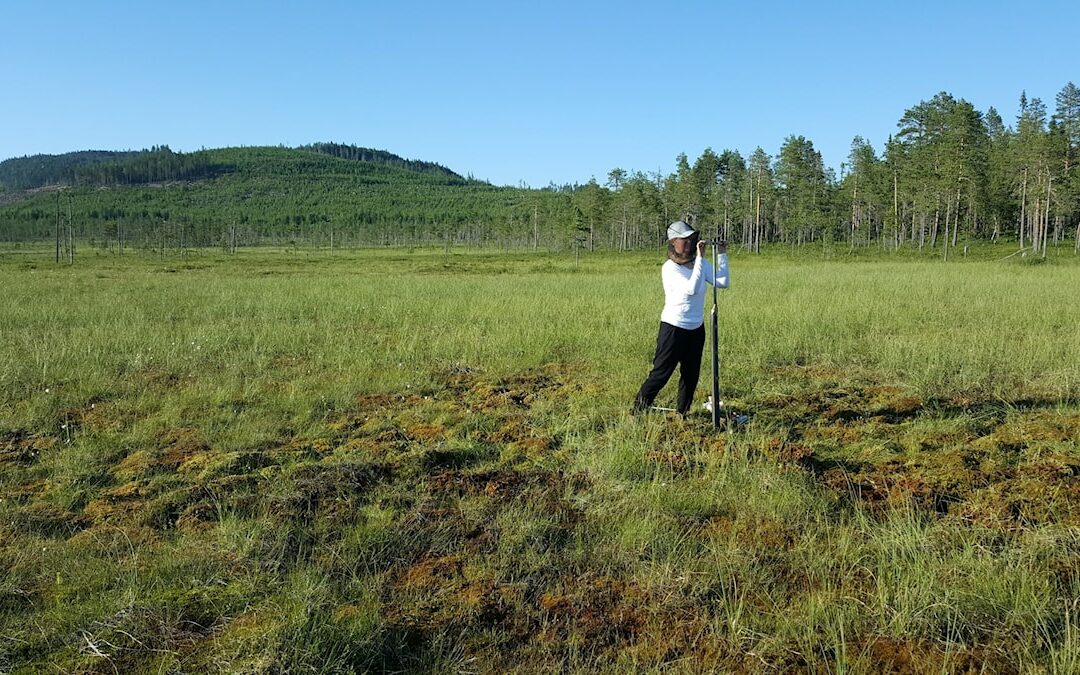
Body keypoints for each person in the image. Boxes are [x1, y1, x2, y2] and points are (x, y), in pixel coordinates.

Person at [632, 219, 729, 416]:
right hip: (673, 328)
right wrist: (701, 259)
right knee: (661, 373)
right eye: (684, 240)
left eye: (691, 239)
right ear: (673, 242)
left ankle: (682, 413)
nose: (689, 244)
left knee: (691, 375)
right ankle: (637, 411)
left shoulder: (699, 264)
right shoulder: (670, 268)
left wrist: (722, 254)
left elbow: (722, 282)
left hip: (696, 328)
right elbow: (691, 289)